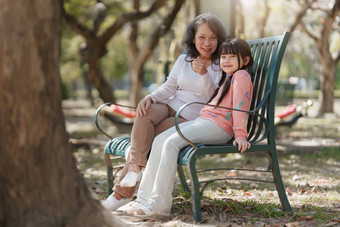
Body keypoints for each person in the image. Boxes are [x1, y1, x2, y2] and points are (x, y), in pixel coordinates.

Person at [102, 13, 227, 211]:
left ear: (219, 39)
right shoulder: (184, 59)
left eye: (212, 37)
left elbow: (214, 99)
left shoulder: (222, 64)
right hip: (170, 105)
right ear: (193, 38)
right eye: (202, 37)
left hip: (189, 115)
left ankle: (121, 194)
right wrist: (150, 98)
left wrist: (204, 75)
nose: (207, 43)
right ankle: (134, 167)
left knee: (150, 138)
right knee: (145, 112)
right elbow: (169, 87)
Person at [123, 38, 254, 217]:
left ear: (245, 61)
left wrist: (240, 134)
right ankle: (143, 199)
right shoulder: (229, 77)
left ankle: (158, 205)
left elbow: (240, 106)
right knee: (160, 139)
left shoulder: (241, 76)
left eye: (232, 56)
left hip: (218, 126)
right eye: (223, 56)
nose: (226, 60)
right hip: (205, 121)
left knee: (171, 144)